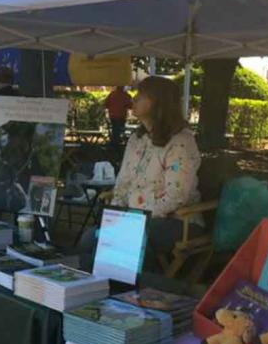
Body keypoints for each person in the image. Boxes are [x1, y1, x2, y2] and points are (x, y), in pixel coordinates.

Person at [80, 76, 201, 271]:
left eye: (140, 95)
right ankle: (99, 289)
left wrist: (134, 218)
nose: (133, 100)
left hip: (175, 220)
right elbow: (123, 182)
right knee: (89, 239)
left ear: (157, 102)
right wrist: (116, 213)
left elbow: (177, 196)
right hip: (134, 217)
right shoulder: (137, 139)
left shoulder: (180, 142)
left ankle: (142, 291)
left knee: (129, 240)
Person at [105, 85, 132, 155]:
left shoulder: (112, 94)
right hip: (121, 117)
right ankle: (116, 149)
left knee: (115, 132)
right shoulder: (126, 95)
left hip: (113, 117)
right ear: (123, 87)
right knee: (118, 133)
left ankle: (113, 148)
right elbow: (131, 106)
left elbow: (105, 104)